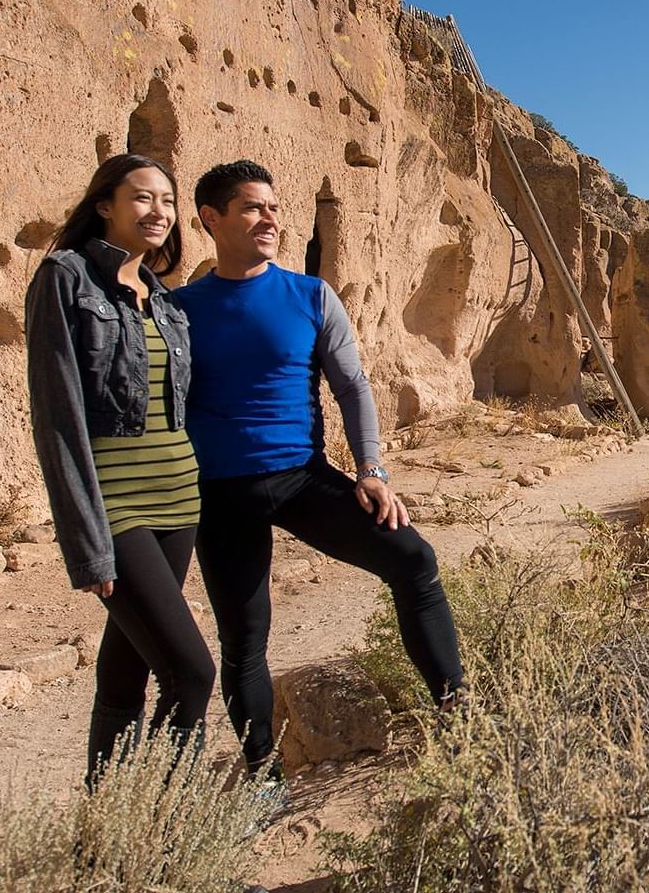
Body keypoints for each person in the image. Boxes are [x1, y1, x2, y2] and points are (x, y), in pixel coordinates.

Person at [177, 159, 465, 779]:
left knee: (413, 560)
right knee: (244, 638)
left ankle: (458, 719)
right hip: (219, 494)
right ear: (211, 218)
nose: (270, 218)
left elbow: (353, 387)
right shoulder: (181, 311)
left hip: (302, 479)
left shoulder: (310, 295)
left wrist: (372, 471)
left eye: (274, 207)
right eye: (253, 207)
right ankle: (262, 773)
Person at [25, 153, 215, 786]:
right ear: (105, 204)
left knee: (127, 669)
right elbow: (57, 417)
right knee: (191, 673)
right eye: (142, 198)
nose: (158, 211)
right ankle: (160, 837)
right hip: (119, 508)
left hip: (177, 503)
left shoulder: (160, 296)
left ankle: (104, 836)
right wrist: (87, 545)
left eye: (167, 200)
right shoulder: (65, 278)